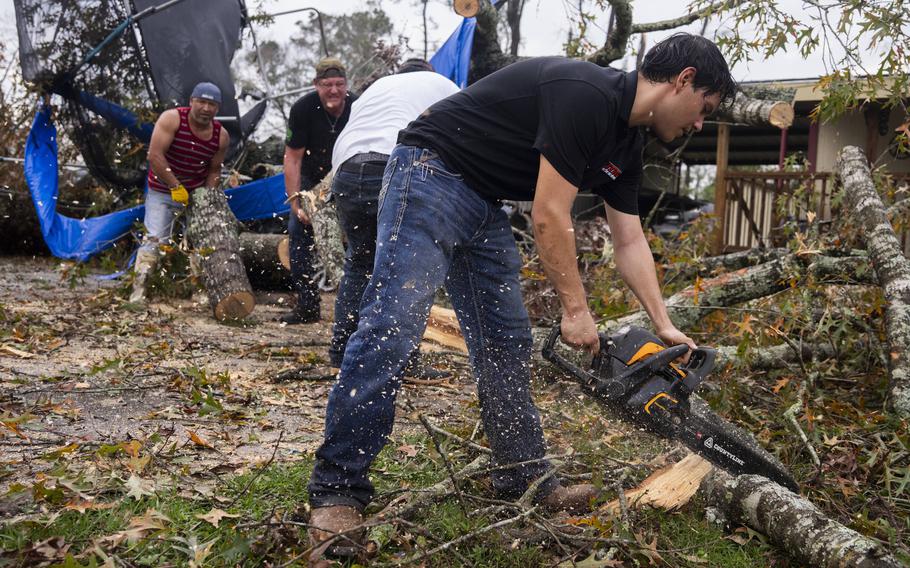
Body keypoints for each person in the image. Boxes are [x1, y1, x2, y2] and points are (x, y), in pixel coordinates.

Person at [306, 33, 737, 555]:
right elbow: (549, 214)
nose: (698, 122)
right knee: (393, 327)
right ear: (683, 80)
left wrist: (663, 322)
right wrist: (576, 311)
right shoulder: (586, 92)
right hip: (429, 172)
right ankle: (337, 492)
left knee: (505, 344)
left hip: (483, 198)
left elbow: (629, 239)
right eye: (703, 108)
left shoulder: (625, 144)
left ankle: (523, 478)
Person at [327, 59, 459, 377]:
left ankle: (342, 352)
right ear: (430, 73)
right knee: (413, 266)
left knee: (359, 262)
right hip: (392, 164)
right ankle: (402, 359)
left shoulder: (376, 88)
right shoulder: (443, 86)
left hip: (346, 170)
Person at [130, 81, 230, 303]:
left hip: (196, 193)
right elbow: (155, 155)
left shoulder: (220, 136)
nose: (206, 108)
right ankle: (140, 289)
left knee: (198, 241)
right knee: (155, 238)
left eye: (211, 104)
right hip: (162, 190)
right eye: (202, 102)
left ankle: (199, 291)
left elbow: (214, 169)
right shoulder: (172, 119)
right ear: (191, 101)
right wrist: (175, 186)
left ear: (218, 108)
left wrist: (207, 197)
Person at [280, 57, 357, 324]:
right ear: (316, 85)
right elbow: (292, 158)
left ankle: (355, 305)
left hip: (349, 175)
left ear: (347, 84)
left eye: (339, 84)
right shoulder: (303, 109)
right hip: (312, 178)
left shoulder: (358, 106)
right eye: (327, 85)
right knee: (299, 234)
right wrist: (295, 200)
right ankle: (307, 305)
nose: (334, 90)